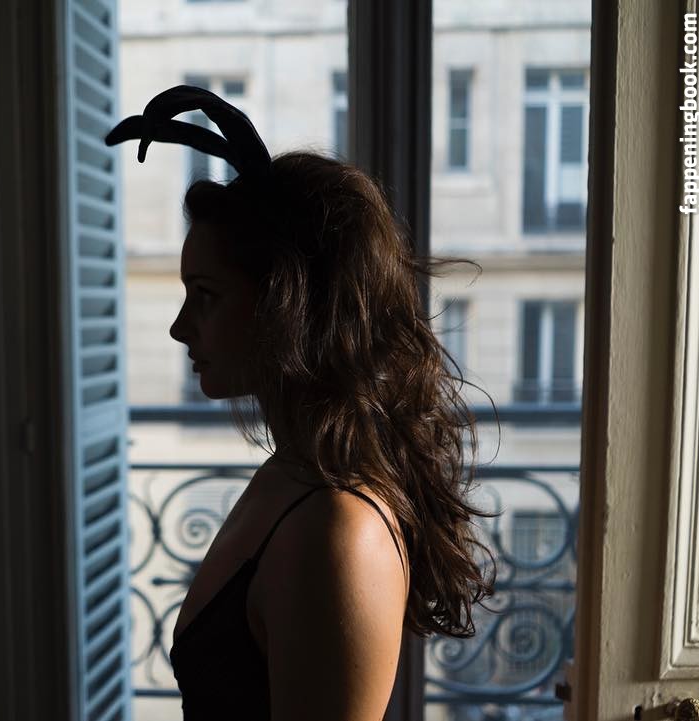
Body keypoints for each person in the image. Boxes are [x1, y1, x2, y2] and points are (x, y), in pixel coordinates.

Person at [107, 86, 500, 721]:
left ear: (284, 307)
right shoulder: (293, 473)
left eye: (205, 295)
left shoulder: (337, 531)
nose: (180, 328)